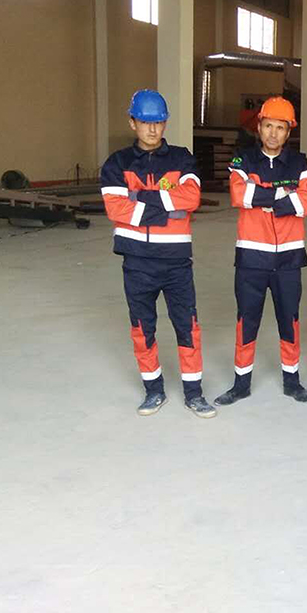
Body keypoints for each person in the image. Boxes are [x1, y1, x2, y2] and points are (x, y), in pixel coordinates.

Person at [99, 89, 215, 418]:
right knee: (142, 328)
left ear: (165, 123)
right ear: (132, 122)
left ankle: (194, 394)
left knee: (188, 327)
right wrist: (167, 208)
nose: (152, 129)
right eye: (145, 122)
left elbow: (190, 199)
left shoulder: (182, 158)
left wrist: (138, 198)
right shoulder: (117, 163)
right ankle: (154, 391)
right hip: (137, 263)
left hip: (177, 263)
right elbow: (115, 208)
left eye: (159, 122)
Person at [214, 97, 307, 407]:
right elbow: (238, 194)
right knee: (247, 321)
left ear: (289, 132)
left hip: (289, 259)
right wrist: (283, 195)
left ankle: (292, 381)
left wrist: (260, 196)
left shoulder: (300, 163)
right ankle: (241, 384)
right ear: (259, 127)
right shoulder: (243, 160)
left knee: (290, 320)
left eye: (280, 128)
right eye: (268, 126)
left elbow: (305, 203)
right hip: (251, 258)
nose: (273, 133)